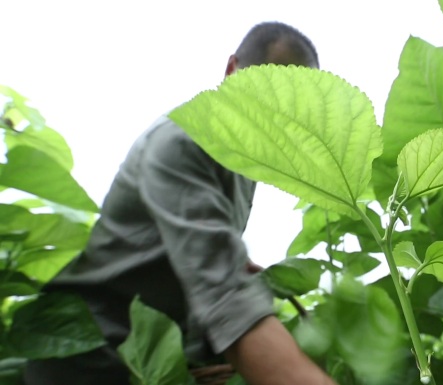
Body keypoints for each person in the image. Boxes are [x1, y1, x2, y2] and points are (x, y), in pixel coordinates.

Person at [24, 21, 336, 385]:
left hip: (149, 365)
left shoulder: (242, 166)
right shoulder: (184, 142)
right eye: (272, 89)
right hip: (89, 364)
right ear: (232, 70)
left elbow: (200, 269)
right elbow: (225, 297)